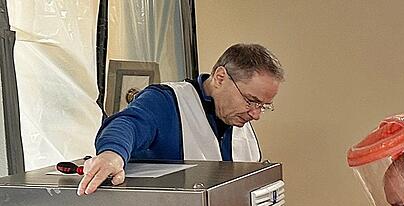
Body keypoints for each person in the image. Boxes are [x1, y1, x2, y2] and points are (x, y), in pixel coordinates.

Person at [77, 43, 284, 195]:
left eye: (263, 106)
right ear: (220, 77)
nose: (256, 114)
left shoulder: (238, 118)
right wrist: (111, 154)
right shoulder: (165, 102)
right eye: (251, 100)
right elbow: (127, 124)